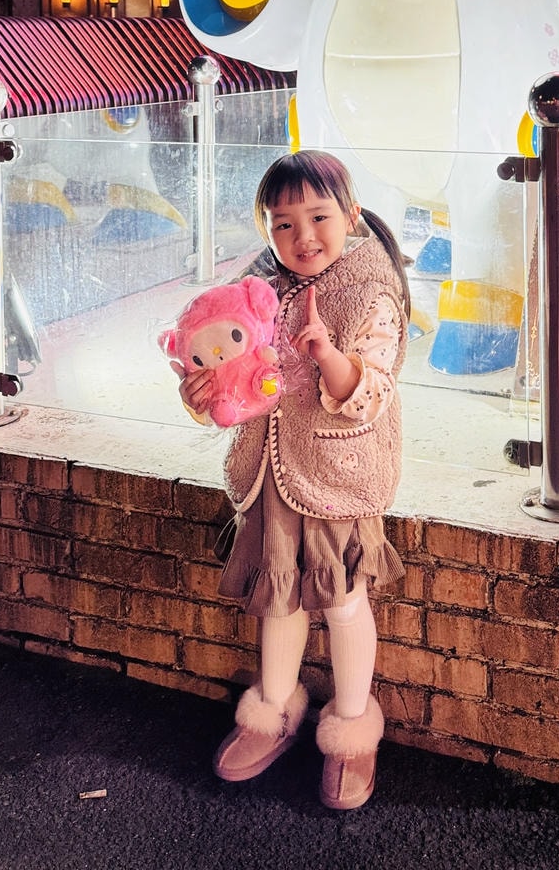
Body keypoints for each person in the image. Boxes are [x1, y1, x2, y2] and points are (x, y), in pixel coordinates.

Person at [177, 150, 411, 810]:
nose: (301, 237)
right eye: (282, 224)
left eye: (318, 217)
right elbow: (229, 377)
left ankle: (353, 730)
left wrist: (327, 356)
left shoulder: (370, 292)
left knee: (341, 603)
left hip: (337, 476)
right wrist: (201, 390)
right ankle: (272, 709)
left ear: (351, 216)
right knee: (276, 599)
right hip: (271, 480)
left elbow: (374, 392)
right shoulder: (255, 290)